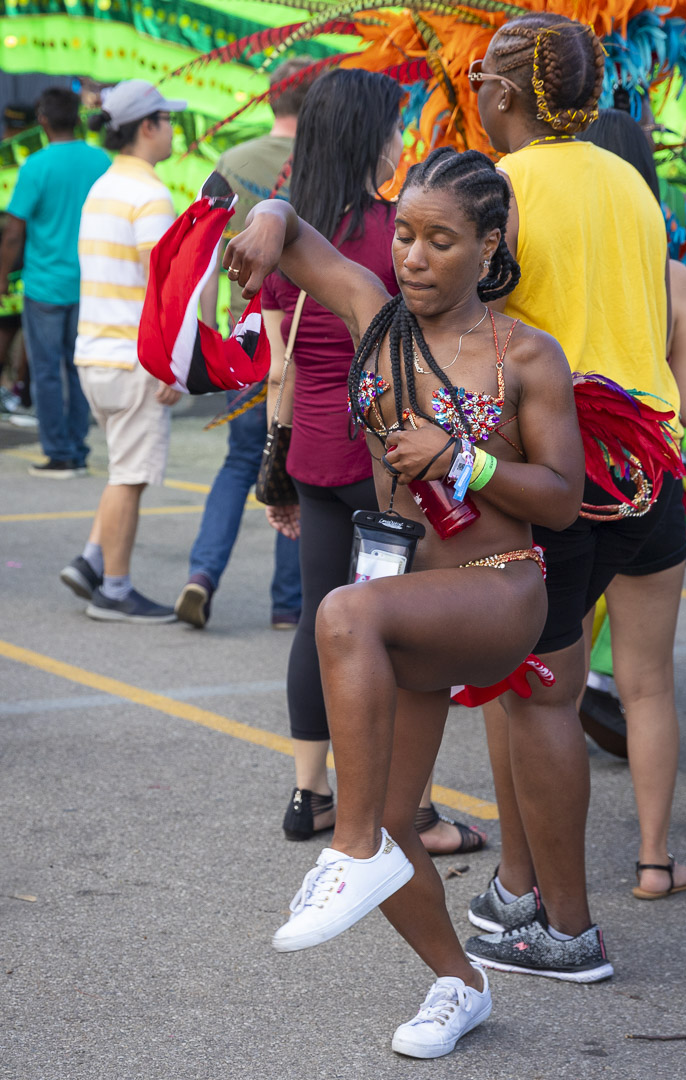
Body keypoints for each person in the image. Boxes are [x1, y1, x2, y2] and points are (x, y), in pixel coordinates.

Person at [223, 145, 585, 1057]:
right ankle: (457, 982)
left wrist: (466, 457)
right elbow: (300, 235)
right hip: (414, 599)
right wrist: (269, 220)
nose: (415, 257)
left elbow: (563, 499)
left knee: (342, 612)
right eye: (407, 237)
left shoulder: (525, 353)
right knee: (394, 818)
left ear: (488, 246)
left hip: (500, 590)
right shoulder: (375, 320)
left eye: (440, 240)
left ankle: (345, 851)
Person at [460, 14, 686, 978]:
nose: (472, 88)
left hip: (552, 476)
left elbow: (482, 329)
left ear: (507, 95)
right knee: (616, 685)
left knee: (532, 702)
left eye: (481, 77)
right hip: (649, 469)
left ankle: (554, 920)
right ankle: (524, 891)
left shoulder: (503, 187)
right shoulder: (630, 182)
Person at [262, 68, 485, 858]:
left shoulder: (296, 238)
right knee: (399, 631)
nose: (401, 141)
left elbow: (278, 364)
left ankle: (309, 794)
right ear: (371, 136)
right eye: (396, 127)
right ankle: (413, 812)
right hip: (385, 454)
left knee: (323, 614)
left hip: (314, 452)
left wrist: (275, 469)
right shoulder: (398, 234)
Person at [576, 108, 686, 899]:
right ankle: (655, 862)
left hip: (563, 484)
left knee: (547, 680)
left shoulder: (549, 262)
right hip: (650, 482)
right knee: (648, 683)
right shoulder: (672, 275)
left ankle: (539, 872)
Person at [174, 56, 313, 631]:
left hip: (247, 338)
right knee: (296, 467)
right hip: (306, 341)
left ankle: (201, 576)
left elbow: (207, 264)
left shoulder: (233, 161)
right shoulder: (321, 166)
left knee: (238, 462)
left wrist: (210, 337)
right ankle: (287, 606)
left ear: (271, 98)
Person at [59, 80, 186, 622]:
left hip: (95, 353)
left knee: (120, 466)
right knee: (127, 477)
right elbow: (164, 286)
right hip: (133, 359)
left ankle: (91, 561)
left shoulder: (104, 186)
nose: (174, 129)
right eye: (168, 119)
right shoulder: (150, 195)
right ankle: (114, 588)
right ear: (147, 127)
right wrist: (173, 365)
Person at [0, 88, 110, 475]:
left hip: (45, 287)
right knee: (79, 368)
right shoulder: (102, 161)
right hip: (90, 285)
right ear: (78, 117)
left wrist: (1, 276)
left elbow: (14, 232)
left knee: (47, 372)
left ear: (43, 121)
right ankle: (77, 448)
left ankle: (59, 453)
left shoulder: (35, 166)